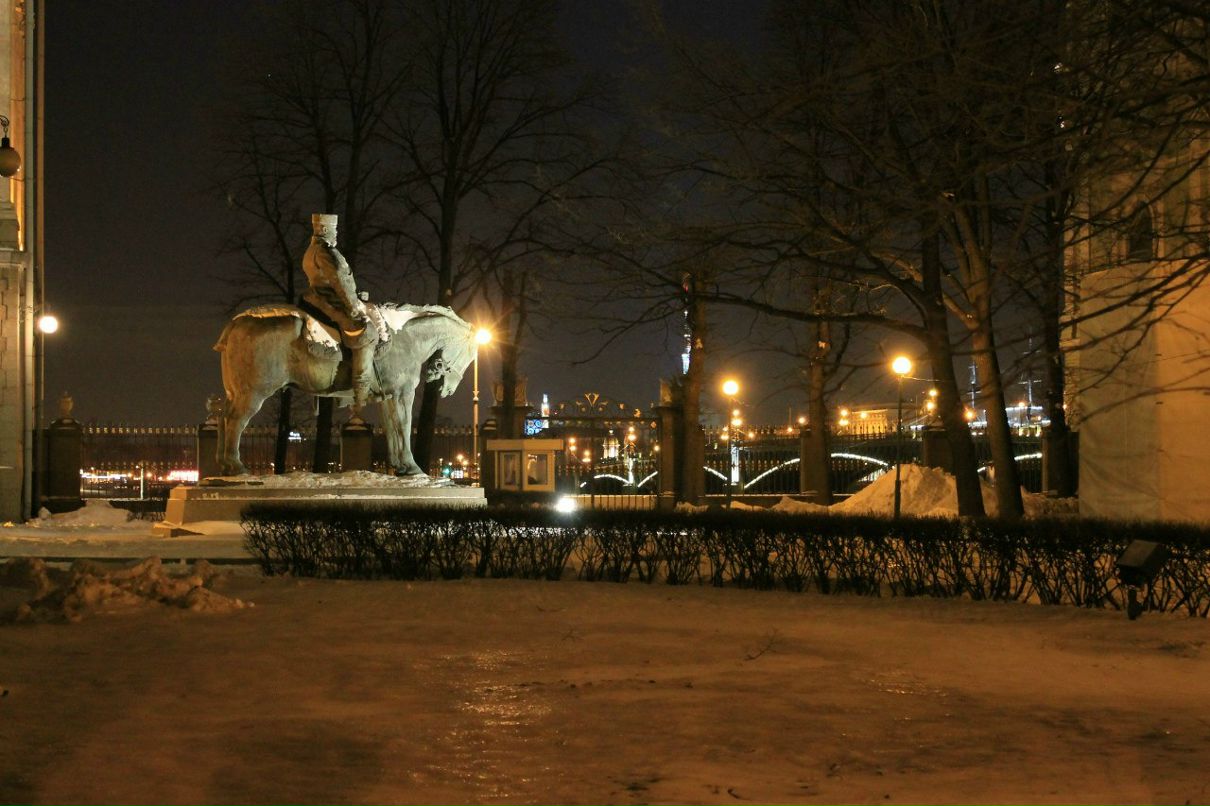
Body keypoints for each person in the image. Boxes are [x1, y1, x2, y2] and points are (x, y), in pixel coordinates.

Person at [301, 213, 378, 409]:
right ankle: (361, 390)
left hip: (317, 298)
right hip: (331, 303)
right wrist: (353, 307)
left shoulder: (311, 251)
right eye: (334, 230)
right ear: (325, 230)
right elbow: (340, 281)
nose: (336, 234)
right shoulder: (326, 251)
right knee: (366, 332)